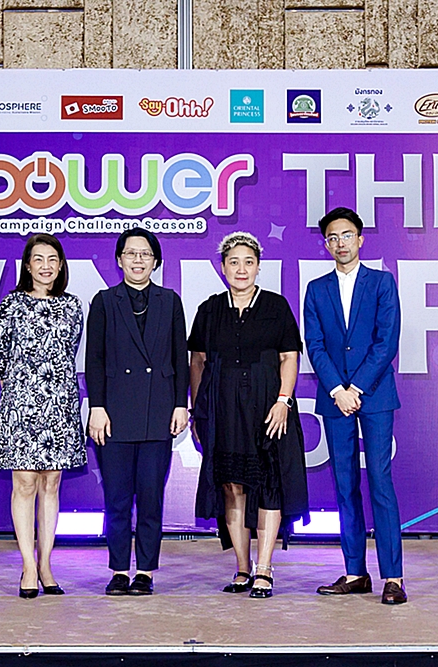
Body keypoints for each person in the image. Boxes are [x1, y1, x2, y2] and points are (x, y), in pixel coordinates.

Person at [189, 232, 308, 599]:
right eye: (234, 262)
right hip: (222, 411)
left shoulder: (276, 306)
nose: (241, 269)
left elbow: (289, 357)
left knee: (269, 485)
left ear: (258, 266)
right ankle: (242, 568)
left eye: (249, 262)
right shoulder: (209, 310)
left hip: (269, 410)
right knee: (232, 486)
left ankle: (264, 568)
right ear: (222, 267)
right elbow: (198, 362)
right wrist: (199, 412)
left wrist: (283, 400)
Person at [302, 207, 407, 605]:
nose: (340, 243)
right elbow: (314, 345)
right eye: (332, 238)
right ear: (326, 245)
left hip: (374, 395)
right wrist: (337, 390)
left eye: (347, 235)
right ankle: (355, 572)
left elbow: (386, 341)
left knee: (380, 481)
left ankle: (393, 577)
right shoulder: (316, 289)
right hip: (335, 400)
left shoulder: (381, 283)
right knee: (344, 486)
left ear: (360, 239)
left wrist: (356, 387)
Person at [85, 228, 190, 596]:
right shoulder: (104, 301)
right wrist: (97, 407)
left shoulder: (169, 301)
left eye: (145, 254)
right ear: (119, 260)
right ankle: (118, 570)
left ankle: (144, 571)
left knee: (150, 497)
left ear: (155, 261)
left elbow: (180, 357)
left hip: (158, 413)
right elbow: (94, 359)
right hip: (114, 415)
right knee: (116, 499)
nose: (138, 260)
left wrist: (181, 403)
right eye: (131, 253)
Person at [0, 233, 85, 599]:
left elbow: (69, 352)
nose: (46, 266)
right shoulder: (11, 304)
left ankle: (46, 565)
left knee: (51, 484)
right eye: (38, 259)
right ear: (27, 266)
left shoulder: (72, 306)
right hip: (22, 403)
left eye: (52, 259)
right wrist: (21, 390)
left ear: (60, 266)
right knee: (25, 484)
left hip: (59, 402)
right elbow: (1, 357)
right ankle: (28, 567)